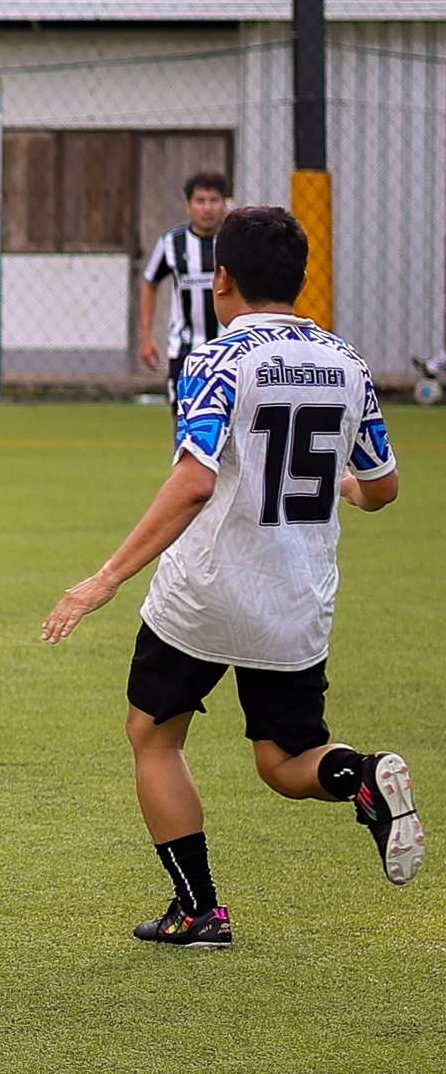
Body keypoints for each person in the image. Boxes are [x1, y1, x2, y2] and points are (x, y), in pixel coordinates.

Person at [42, 205, 420, 949]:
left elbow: (193, 483)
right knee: (285, 761)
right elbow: (383, 488)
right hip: (296, 597)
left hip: (206, 593)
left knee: (153, 736)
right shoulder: (347, 363)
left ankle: (198, 912)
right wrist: (342, 486)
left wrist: (105, 578)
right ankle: (361, 775)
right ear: (301, 279)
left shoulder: (217, 360)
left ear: (220, 280)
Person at [140, 171, 231, 415]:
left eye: (214, 200)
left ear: (224, 204)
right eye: (200, 201)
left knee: (230, 418)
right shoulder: (171, 243)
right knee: (183, 417)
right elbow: (150, 283)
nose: (207, 208)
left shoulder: (235, 243)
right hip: (185, 349)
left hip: (229, 346)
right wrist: (146, 335)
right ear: (188, 206)